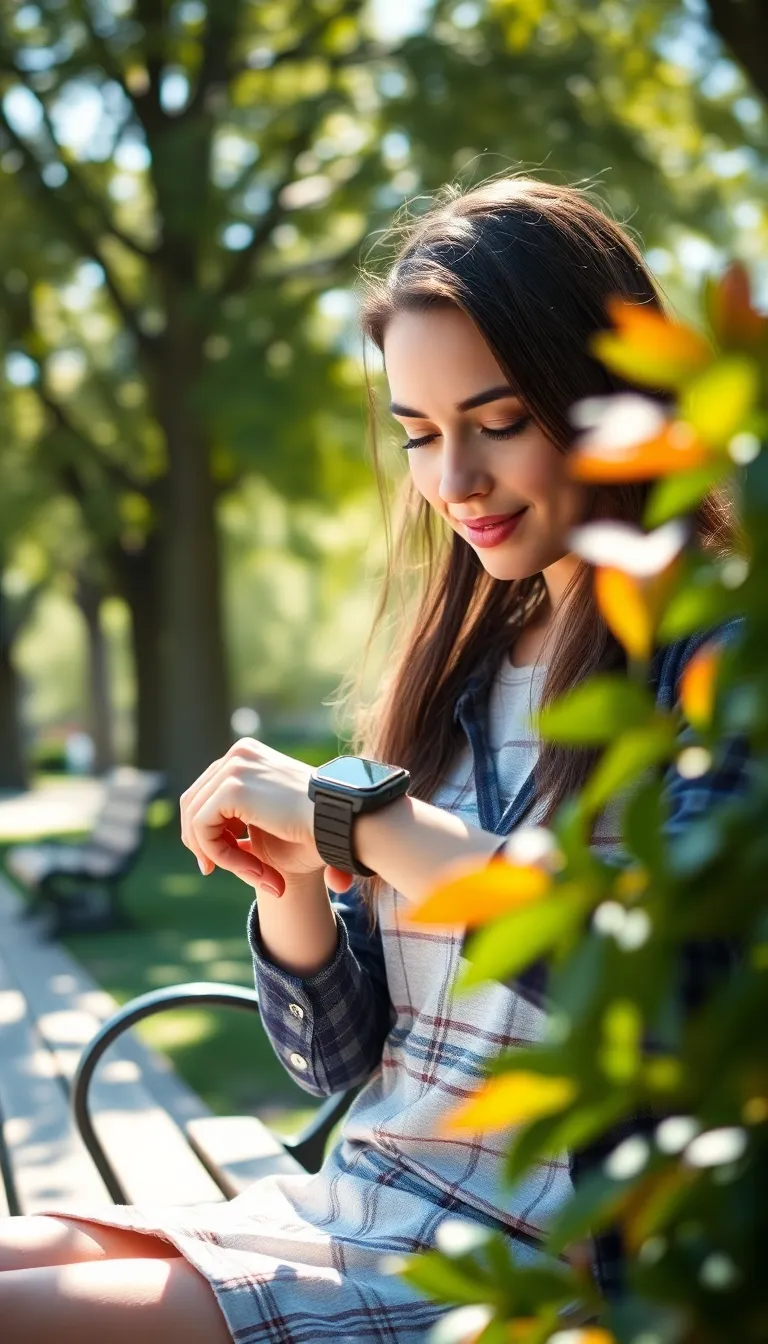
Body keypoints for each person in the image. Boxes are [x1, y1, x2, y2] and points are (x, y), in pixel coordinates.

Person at [0, 175, 747, 1343]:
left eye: (499, 423)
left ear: (609, 399)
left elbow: (688, 998)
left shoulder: (712, 663)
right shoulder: (454, 676)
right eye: (420, 434)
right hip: (360, 1206)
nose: (454, 482)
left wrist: (357, 821)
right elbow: (336, 1059)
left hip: (529, 1275)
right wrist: (293, 886)